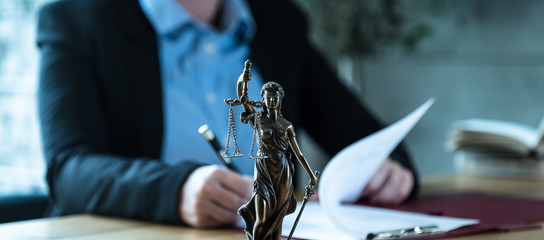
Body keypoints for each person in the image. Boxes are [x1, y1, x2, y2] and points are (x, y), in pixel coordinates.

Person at [36, 0, 417, 228]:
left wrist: (387, 170)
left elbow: (366, 137)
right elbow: (68, 169)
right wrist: (176, 191)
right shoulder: (78, 19)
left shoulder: (276, 20)